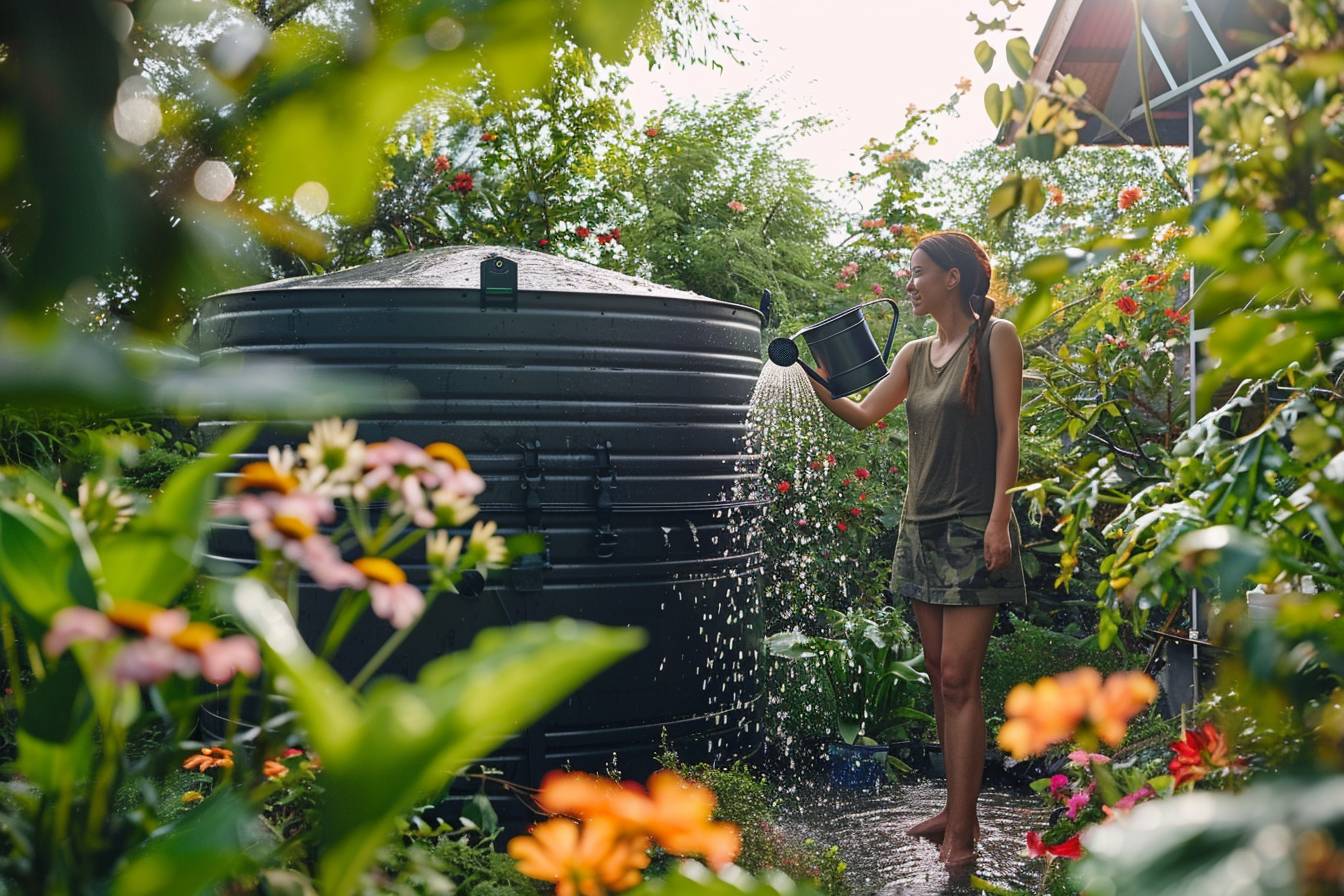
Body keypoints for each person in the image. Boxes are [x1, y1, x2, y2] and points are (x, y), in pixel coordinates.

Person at [807, 230, 1026, 867]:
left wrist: (998, 520)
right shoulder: (913, 352)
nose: (910, 282)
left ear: (953, 278)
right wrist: (818, 382)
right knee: (938, 674)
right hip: (919, 527)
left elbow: (1011, 432)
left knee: (959, 676)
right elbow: (865, 415)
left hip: (971, 524)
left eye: (919, 272)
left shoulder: (997, 338)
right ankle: (954, 811)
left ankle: (964, 830)